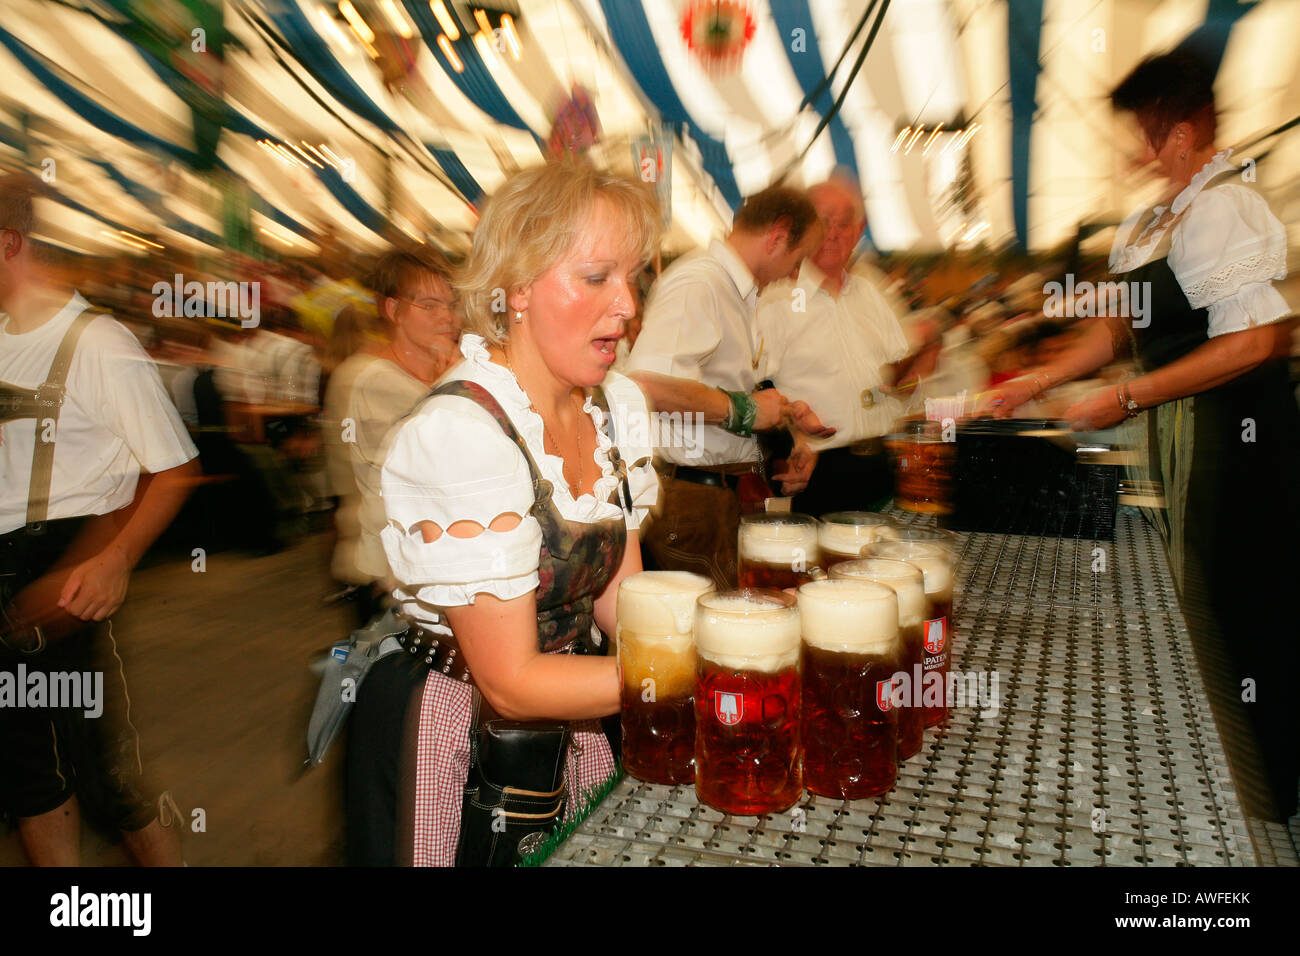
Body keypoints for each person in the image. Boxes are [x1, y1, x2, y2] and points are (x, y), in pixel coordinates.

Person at [983, 49, 1299, 820]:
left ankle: (1264, 809)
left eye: (1148, 137)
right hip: (1189, 441)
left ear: (1187, 133)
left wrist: (1126, 396)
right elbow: (1116, 331)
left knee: (1246, 614)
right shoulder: (1158, 218)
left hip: (1244, 450)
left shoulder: (1228, 207)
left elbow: (1259, 343)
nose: (1137, 154)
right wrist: (1034, 382)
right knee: (1199, 605)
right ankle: (1228, 784)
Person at [345, 162, 660, 866]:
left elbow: (620, 603)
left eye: (634, 277)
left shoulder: (613, 407)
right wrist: (689, 679)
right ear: (517, 287)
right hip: (456, 732)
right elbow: (511, 682)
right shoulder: (461, 434)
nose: (629, 306)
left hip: (570, 711)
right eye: (597, 277)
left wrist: (726, 633)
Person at [0, 174, 199, 864]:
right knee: (27, 779)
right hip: (7, 576)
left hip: (63, 567)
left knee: (105, 780)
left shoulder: (97, 341)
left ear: (9, 243)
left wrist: (113, 558)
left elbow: (174, 468)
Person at [625, 185, 831, 589]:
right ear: (777, 236)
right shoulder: (700, 283)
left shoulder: (737, 292)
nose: (794, 274)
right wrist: (746, 410)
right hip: (691, 500)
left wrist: (785, 429)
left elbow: (724, 388)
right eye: (799, 258)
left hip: (717, 497)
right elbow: (644, 385)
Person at [756, 177, 919, 516]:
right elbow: (755, 387)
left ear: (859, 230)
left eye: (845, 223)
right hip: (818, 473)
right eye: (823, 221)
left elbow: (902, 372)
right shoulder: (776, 301)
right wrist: (791, 441)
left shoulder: (871, 293)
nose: (833, 232)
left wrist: (909, 380)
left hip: (886, 464)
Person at [325, 246, 461, 626]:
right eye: (430, 306)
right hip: (387, 577)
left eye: (451, 305)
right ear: (393, 310)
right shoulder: (368, 379)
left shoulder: (438, 370)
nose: (447, 317)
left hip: (427, 569)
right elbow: (436, 470)